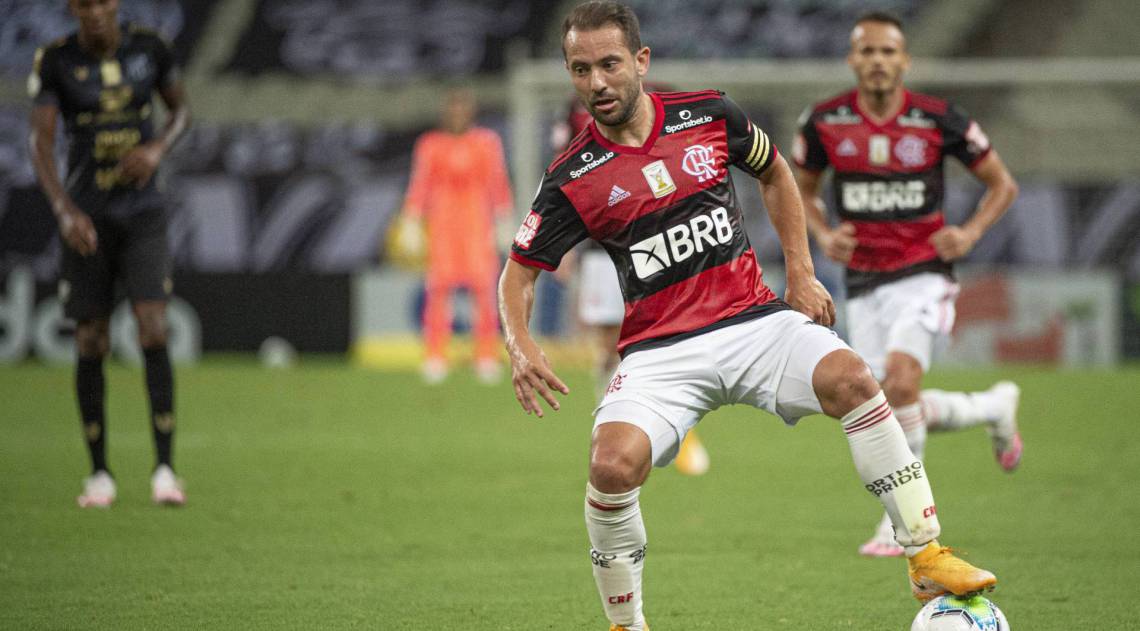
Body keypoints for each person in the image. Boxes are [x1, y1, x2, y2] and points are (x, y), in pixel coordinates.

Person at [498, 3, 998, 629]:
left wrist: (802, 271)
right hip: (660, 353)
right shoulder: (573, 176)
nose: (596, 82)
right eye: (580, 69)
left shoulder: (708, 114)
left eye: (609, 64)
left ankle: (925, 553)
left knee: (853, 379)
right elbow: (518, 271)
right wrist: (521, 346)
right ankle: (627, 624)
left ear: (641, 61)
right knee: (609, 464)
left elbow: (776, 172)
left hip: (753, 322)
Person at [791, 11, 1022, 558]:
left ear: (905, 61)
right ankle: (991, 408)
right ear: (853, 60)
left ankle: (900, 523)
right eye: (867, 52)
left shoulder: (938, 119)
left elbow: (1002, 185)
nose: (877, 62)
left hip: (924, 276)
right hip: (864, 283)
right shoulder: (823, 122)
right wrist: (822, 231)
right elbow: (797, 189)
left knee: (899, 382)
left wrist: (969, 233)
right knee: (891, 401)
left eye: (888, 52)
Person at [27, 0, 190, 508]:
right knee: (91, 338)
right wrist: (64, 210)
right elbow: (40, 141)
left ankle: (165, 469)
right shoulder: (55, 61)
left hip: (142, 213)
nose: (94, 12)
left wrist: (157, 149)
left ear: (114, 4)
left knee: (153, 325)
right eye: (83, 4)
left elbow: (181, 110)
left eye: (100, 2)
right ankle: (99, 474)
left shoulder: (151, 48)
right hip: (87, 219)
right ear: (73, 9)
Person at [551, 85, 710, 476]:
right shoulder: (574, 111)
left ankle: (678, 432)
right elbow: (562, 180)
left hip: (650, 242)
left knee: (659, 340)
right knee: (608, 345)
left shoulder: (656, 103)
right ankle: (614, 426)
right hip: (598, 249)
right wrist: (564, 248)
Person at [397, 88, 513, 384]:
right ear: (446, 114)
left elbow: (497, 181)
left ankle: (485, 356)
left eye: (464, 110)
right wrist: (411, 219)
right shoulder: (431, 144)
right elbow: (420, 183)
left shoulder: (486, 142)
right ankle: (436, 355)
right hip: (443, 226)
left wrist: (502, 219)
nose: (458, 116)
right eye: (454, 110)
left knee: (485, 292)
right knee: (438, 291)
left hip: (477, 224)